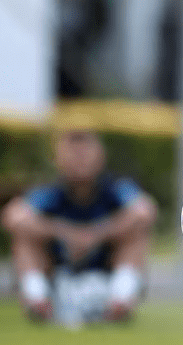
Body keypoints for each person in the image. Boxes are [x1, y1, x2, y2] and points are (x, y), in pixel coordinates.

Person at [1, 128, 156, 326]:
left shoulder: (116, 187)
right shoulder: (51, 192)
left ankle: (119, 302)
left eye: (85, 154)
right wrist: (65, 233)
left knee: (137, 235)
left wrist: (95, 235)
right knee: (24, 238)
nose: (79, 161)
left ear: (100, 157)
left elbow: (145, 211)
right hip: (60, 269)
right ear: (58, 160)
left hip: (104, 266)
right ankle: (39, 301)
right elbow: (13, 217)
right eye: (73, 154)